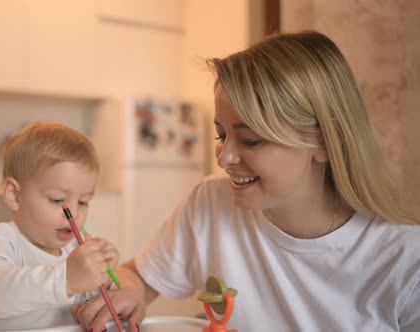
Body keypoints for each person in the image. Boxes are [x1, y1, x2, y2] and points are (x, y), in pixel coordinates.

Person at [71, 31, 420, 332]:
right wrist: (129, 293)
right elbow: (142, 277)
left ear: (325, 142)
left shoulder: (404, 259)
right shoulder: (210, 201)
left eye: (251, 140)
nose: (224, 158)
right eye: (221, 135)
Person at [0, 121, 119, 331]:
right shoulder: (3, 239)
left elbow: (87, 308)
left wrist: (103, 279)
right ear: (15, 195)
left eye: (83, 202)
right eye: (58, 200)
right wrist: (66, 278)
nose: (74, 214)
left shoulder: (75, 248)